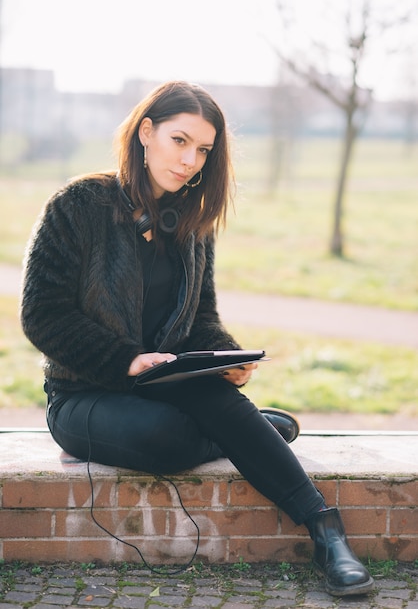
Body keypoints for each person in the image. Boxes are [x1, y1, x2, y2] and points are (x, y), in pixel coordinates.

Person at [20, 80, 374, 597]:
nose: (190, 160)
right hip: (83, 395)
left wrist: (225, 356)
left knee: (211, 393)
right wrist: (126, 360)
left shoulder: (191, 224)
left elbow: (199, 320)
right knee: (167, 438)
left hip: (167, 383)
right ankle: (250, 429)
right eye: (179, 140)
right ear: (146, 133)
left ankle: (325, 530)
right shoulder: (78, 206)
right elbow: (42, 315)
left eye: (204, 149)